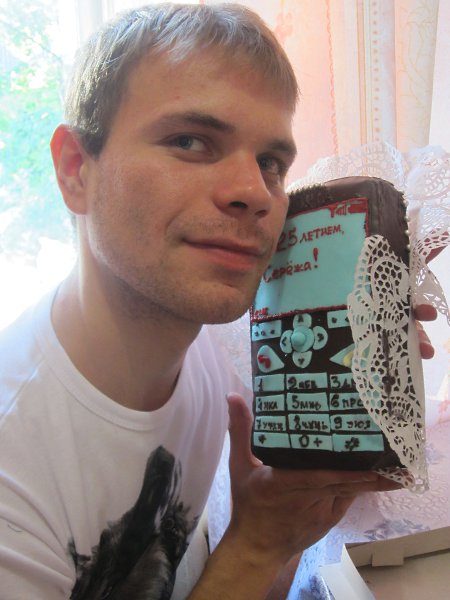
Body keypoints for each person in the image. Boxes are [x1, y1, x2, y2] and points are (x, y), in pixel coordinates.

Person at [0, 3, 437, 599]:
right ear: (76, 169)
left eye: (271, 163)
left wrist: (289, 517)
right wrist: (255, 544)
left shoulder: (212, 356)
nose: (255, 193)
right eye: (190, 141)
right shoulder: (14, 469)